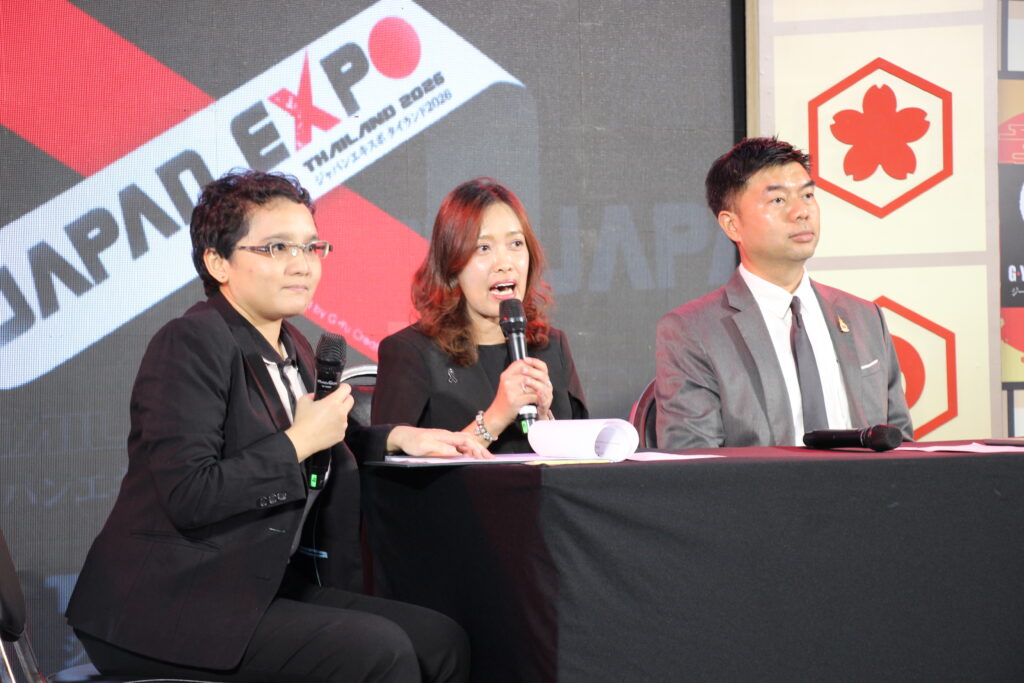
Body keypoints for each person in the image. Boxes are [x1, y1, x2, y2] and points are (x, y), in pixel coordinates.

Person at [65, 170, 488, 683]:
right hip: (167, 605)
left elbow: (326, 434)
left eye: (311, 247)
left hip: (255, 587)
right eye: (276, 248)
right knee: (382, 651)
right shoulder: (190, 342)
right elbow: (191, 494)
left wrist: (399, 438)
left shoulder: (294, 345)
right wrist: (297, 442)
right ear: (218, 262)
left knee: (441, 642)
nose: (302, 264)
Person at [655, 137, 913, 449]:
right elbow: (694, 460)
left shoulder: (864, 317)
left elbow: (899, 442)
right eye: (778, 200)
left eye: (807, 195)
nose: (801, 212)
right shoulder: (693, 330)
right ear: (732, 225)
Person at [372, 177, 587, 453]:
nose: (504, 263)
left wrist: (545, 420)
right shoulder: (410, 353)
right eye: (483, 248)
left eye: (516, 244)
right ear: (452, 266)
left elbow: (586, 463)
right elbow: (386, 468)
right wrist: (496, 417)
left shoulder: (551, 347)